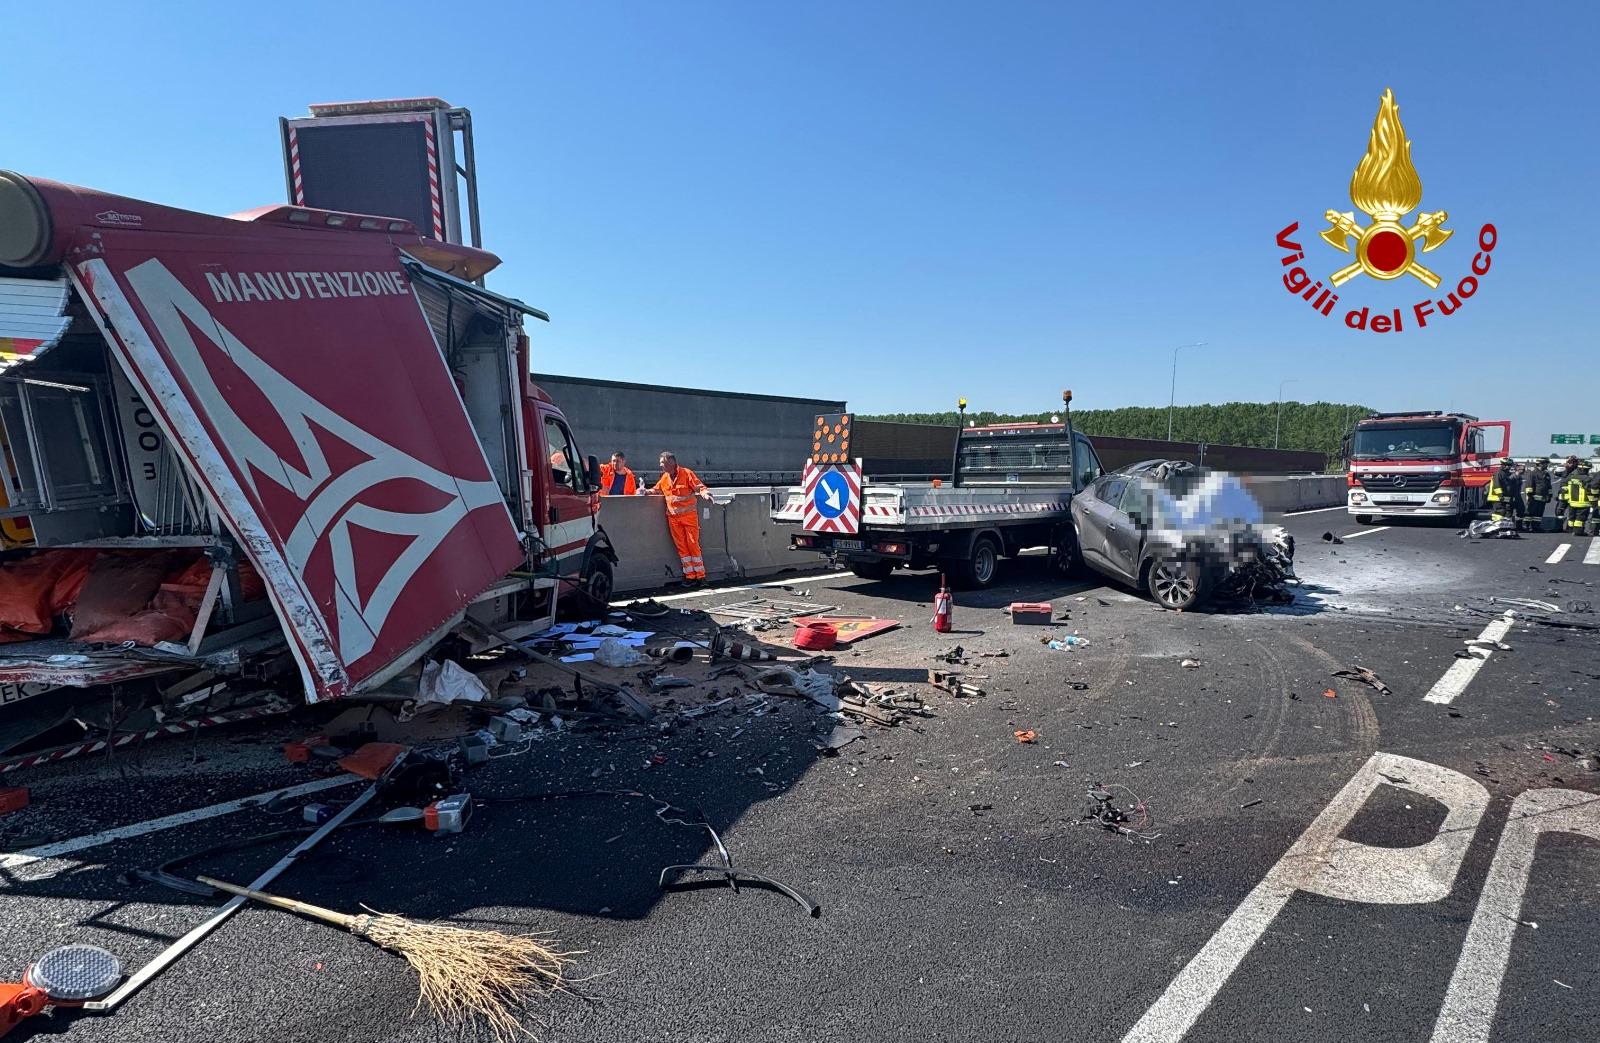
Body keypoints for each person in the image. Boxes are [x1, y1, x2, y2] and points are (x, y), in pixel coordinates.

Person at [648, 451, 712, 584]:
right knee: (682, 547)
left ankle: (700, 576)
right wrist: (645, 491)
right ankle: (690, 576)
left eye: (663, 464)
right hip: (673, 518)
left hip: (688, 517)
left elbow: (699, 487)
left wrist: (705, 493)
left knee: (693, 544)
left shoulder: (686, 473)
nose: (661, 467)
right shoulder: (665, 477)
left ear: (671, 463)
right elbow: (656, 489)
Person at [1522, 458, 1553, 533]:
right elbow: (1529, 484)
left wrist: (1549, 495)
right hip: (1534, 497)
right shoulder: (1533, 473)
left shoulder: (1546, 474)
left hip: (1543, 498)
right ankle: (1526, 526)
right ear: (1541, 464)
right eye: (1546, 464)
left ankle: (1536, 527)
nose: (1547, 465)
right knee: (1529, 513)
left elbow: (1548, 486)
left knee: (1538, 514)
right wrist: (1529, 495)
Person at [1486, 458, 1520, 525]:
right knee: (1499, 513)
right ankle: (1496, 526)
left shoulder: (1508, 474)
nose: (1508, 466)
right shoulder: (1498, 473)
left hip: (1506, 498)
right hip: (1497, 498)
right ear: (1502, 465)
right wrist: (1500, 495)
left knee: (1508, 513)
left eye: (1509, 465)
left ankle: (1505, 527)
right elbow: (1497, 486)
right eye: (1506, 465)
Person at [1562, 459, 1591, 536]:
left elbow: (1564, 487)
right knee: (1580, 519)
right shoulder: (1587, 479)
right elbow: (1590, 490)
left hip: (1572, 502)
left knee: (1571, 518)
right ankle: (1578, 532)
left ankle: (1570, 530)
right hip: (1583, 503)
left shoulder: (1571, 477)